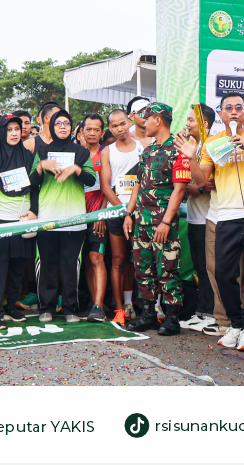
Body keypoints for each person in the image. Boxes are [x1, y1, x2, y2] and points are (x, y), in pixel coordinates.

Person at [190, 93, 244, 353]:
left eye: (239, 107)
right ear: (221, 114)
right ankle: (235, 323)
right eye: (229, 108)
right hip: (226, 214)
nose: (234, 112)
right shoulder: (212, 142)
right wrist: (191, 157)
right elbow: (201, 181)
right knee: (224, 273)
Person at [119, 103, 189, 334]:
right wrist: (129, 214)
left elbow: (180, 189)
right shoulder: (147, 151)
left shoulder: (178, 150)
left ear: (158, 120)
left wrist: (167, 222)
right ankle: (148, 314)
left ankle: (172, 318)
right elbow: (137, 185)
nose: (143, 123)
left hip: (163, 223)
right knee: (143, 269)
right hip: (142, 222)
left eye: (146, 118)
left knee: (167, 268)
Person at [32, 109, 94, 323]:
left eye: (66, 123)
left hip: (74, 218)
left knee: (70, 265)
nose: (62, 127)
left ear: (72, 127)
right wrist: (41, 166)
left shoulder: (81, 152)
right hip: (47, 217)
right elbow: (30, 182)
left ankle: (70, 309)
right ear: (51, 127)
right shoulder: (42, 151)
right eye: (58, 123)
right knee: (46, 264)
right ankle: (46, 308)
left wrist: (76, 169)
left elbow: (91, 180)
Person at [0, 115, 39, 328]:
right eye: (9, 130)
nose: (14, 133)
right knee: (0, 267)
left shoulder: (28, 155)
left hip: (23, 217)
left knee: (19, 266)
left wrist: (34, 210)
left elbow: (35, 186)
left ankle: (10, 308)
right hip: (1, 219)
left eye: (17, 129)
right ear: (1, 132)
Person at [100, 109, 144, 325]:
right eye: (114, 126)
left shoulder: (142, 148)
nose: (119, 129)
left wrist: (131, 211)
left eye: (123, 124)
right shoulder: (107, 151)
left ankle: (135, 304)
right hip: (116, 212)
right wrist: (123, 211)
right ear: (110, 128)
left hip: (138, 211)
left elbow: (143, 182)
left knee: (138, 259)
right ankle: (119, 308)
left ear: (129, 122)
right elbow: (105, 187)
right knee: (118, 259)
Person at [178, 105, 215, 332]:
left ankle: (210, 314)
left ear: (204, 123)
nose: (187, 123)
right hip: (194, 216)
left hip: (208, 218)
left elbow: (206, 184)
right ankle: (201, 312)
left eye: (192, 120)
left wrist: (194, 188)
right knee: (199, 268)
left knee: (208, 268)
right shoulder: (193, 146)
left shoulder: (211, 147)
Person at [79, 112, 110, 321]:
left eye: (96, 129)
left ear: (102, 132)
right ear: (81, 131)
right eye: (88, 129)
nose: (92, 133)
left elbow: (109, 187)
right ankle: (93, 303)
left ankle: (99, 306)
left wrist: (102, 214)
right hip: (76, 217)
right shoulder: (75, 154)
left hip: (98, 215)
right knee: (86, 262)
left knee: (96, 257)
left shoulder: (106, 154)